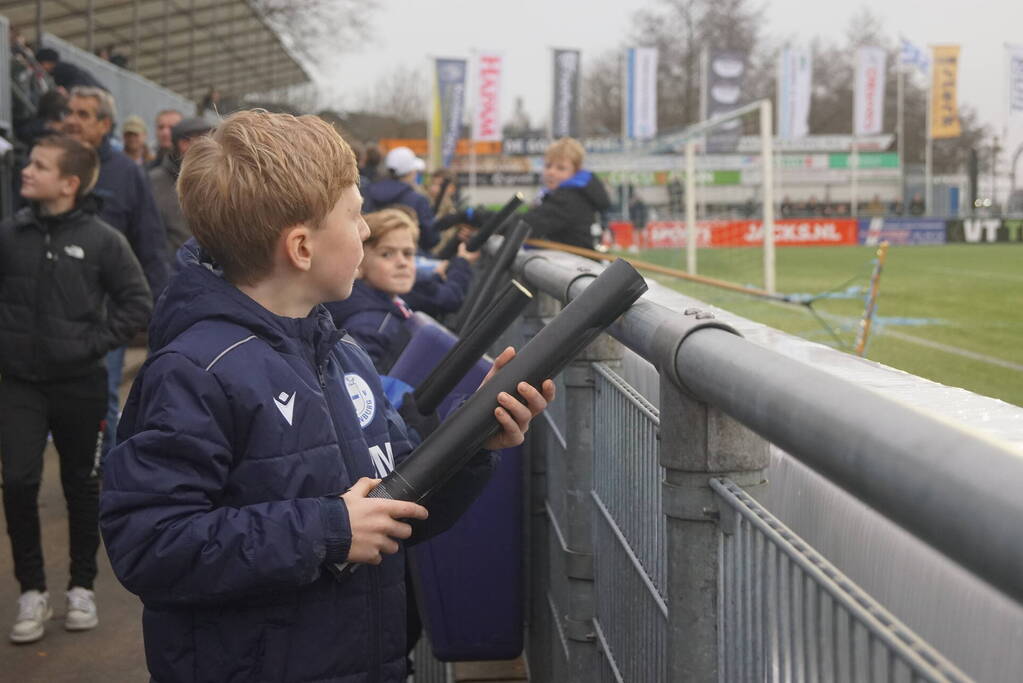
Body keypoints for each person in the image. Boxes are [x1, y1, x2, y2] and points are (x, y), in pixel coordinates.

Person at [98, 110, 554, 683]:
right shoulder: (194, 371)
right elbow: (150, 545)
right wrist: (329, 531)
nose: (365, 231)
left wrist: (473, 440)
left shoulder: (339, 352)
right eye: (355, 216)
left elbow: (397, 502)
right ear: (301, 248)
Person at [0, 134, 151, 644]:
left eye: (38, 165)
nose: (26, 169)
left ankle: (81, 587)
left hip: (81, 385)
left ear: (68, 183)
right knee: (19, 483)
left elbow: (136, 303)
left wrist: (91, 344)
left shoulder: (104, 239)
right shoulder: (9, 235)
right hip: (20, 384)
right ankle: (32, 592)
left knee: (82, 485)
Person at [62, 86, 168, 463]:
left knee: (101, 395)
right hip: (52, 310)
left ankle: (107, 475)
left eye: (83, 114)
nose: (71, 120)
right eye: (69, 111)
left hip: (104, 312)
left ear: (105, 124)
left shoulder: (126, 173)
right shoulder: (51, 163)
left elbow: (150, 241)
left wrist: (160, 306)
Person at [325, 208, 477, 372]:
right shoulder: (369, 327)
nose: (402, 262)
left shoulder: (387, 303)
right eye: (387, 254)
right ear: (358, 264)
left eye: (408, 253)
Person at [520, 137, 611, 251]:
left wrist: (496, 220)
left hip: (577, 264)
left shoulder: (569, 199)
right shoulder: (555, 194)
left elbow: (529, 225)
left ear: (575, 172)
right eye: (548, 166)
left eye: (561, 168)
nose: (551, 172)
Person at [148, 117, 214, 259]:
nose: (196, 146)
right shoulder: (154, 181)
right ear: (175, 145)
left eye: (204, 139)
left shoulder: (220, 181)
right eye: (187, 141)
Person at [363, 146, 439, 250]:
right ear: (411, 172)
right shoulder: (418, 200)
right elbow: (431, 238)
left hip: (372, 255)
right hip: (411, 257)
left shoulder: (368, 191)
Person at [34, 48, 104, 92]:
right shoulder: (62, 68)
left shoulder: (60, 70)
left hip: (97, 94)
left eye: (41, 64)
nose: (40, 68)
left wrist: (67, 90)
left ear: (48, 62)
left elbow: (79, 81)